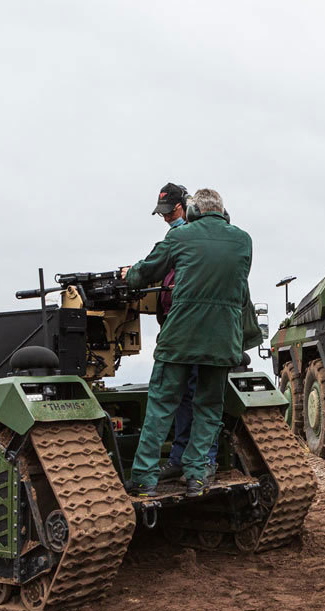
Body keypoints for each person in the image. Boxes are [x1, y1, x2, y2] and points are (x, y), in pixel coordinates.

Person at [122, 187, 252, 498]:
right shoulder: (243, 240)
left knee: (161, 407)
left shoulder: (179, 237)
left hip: (180, 339)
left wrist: (129, 275)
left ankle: (144, 480)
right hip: (222, 342)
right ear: (222, 211)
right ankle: (196, 477)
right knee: (208, 408)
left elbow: (146, 273)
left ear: (192, 213)